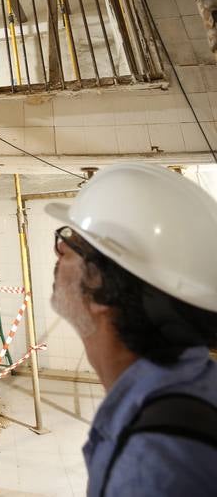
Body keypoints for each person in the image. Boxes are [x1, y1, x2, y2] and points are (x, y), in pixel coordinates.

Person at [46, 162, 217, 496]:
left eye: (70, 241)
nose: (60, 250)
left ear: (100, 285)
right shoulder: (196, 390)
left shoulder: (152, 466)